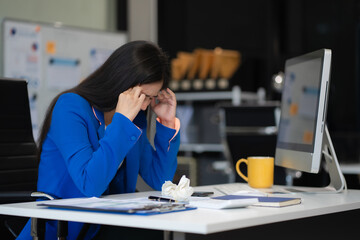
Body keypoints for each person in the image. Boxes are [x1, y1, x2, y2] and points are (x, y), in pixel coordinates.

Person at [17, 40, 180, 240]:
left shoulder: (134, 118)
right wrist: (122, 122)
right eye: (143, 96)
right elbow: (90, 184)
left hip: (105, 225)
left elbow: (159, 180)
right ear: (122, 83)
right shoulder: (71, 108)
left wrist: (167, 122)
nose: (145, 107)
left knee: (150, 230)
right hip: (64, 229)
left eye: (150, 98)